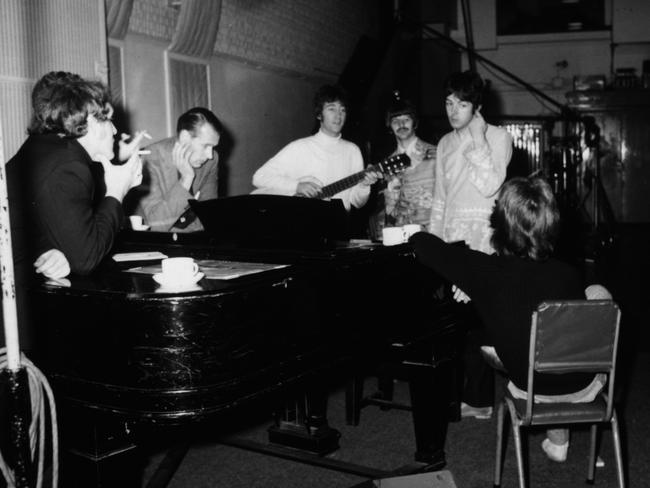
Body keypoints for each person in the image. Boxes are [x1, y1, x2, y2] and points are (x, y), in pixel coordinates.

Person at [411, 176, 605, 462]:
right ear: (550, 223)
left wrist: (468, 280)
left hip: (529, 387)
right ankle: (559, 439)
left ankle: (556, 436)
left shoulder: (484, 271)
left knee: (502, 339)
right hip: (583, 383)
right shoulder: (568, 273)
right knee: (595, 293)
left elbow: (422, 244)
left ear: (499, 223)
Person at [430, 70, 513, 418]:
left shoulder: (498, 136)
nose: (453, 111)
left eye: (461, 104)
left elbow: (491, 185)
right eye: (449, 103)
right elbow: (440, 198)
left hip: (484, 239)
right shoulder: (446, 143)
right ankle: (470, 398)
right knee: (456, 324)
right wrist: (432, 246)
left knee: (483, 323)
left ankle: (489, 398)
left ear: (476, 106)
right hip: (452, 237)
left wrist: (478, 139)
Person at [7, 74, 143, 277]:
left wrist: (64, 252)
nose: (115, 130)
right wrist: (117, 191)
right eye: (109, 120)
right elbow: (86, 259)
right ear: (90, 122)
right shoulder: (69, 167)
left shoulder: (45, 146)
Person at [252, 84, 380, 211]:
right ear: (319, 115)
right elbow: (260, 177)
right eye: (331, 109)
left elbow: (357, 202)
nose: (338, 115)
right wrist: (297, 186)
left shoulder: (353, 150)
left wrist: (364, 185)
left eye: (342, 110)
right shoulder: (299, 148)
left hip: (339, 225)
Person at [130, 107, 221, 232]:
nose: (210, 155)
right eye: (206, 146)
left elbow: (210, 216)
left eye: (213, 147)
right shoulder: (150, 159)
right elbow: (156, 225)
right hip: (152, 243)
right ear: (184, 137)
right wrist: (186, 180)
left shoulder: (211, 160)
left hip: (193, 239)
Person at [379, 93, 436, 230]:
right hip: (401, 233)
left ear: (415, 122)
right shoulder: (387, 164)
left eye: (406, 119)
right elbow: (389, 209)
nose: (401, 124)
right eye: (395, 121)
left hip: (432, 231)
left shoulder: (435, 153)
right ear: (390, 126)